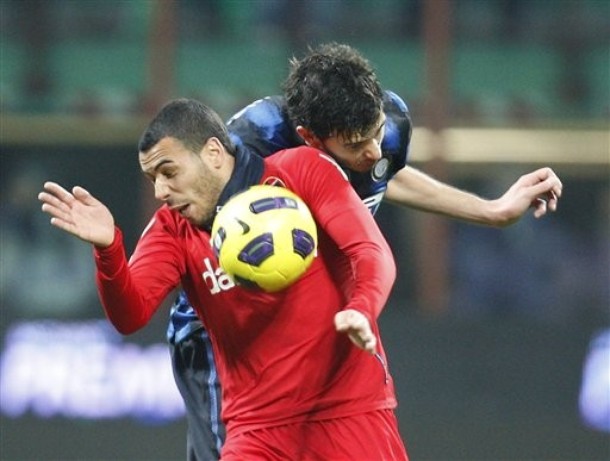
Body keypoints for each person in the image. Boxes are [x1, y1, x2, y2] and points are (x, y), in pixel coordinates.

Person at [167, 42, 564, 460]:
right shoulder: (250, 145)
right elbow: (188, 224)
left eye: (373, 133)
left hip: (314, 336)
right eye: (356, 144)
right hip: (228, 341)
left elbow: (384, 177)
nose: (373, 150)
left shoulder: (388, 125)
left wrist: (492, 211)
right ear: (309, 139)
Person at [39, 98, 410, 460]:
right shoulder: (173, 229)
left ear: (214, 153)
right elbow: (129, 315)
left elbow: (371, 251)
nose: (160, 191)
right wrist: (109, 250)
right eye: (153, 178)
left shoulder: (301, 170)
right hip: (256, 432)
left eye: (169, 172)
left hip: (349, 412)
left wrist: (362, 307)